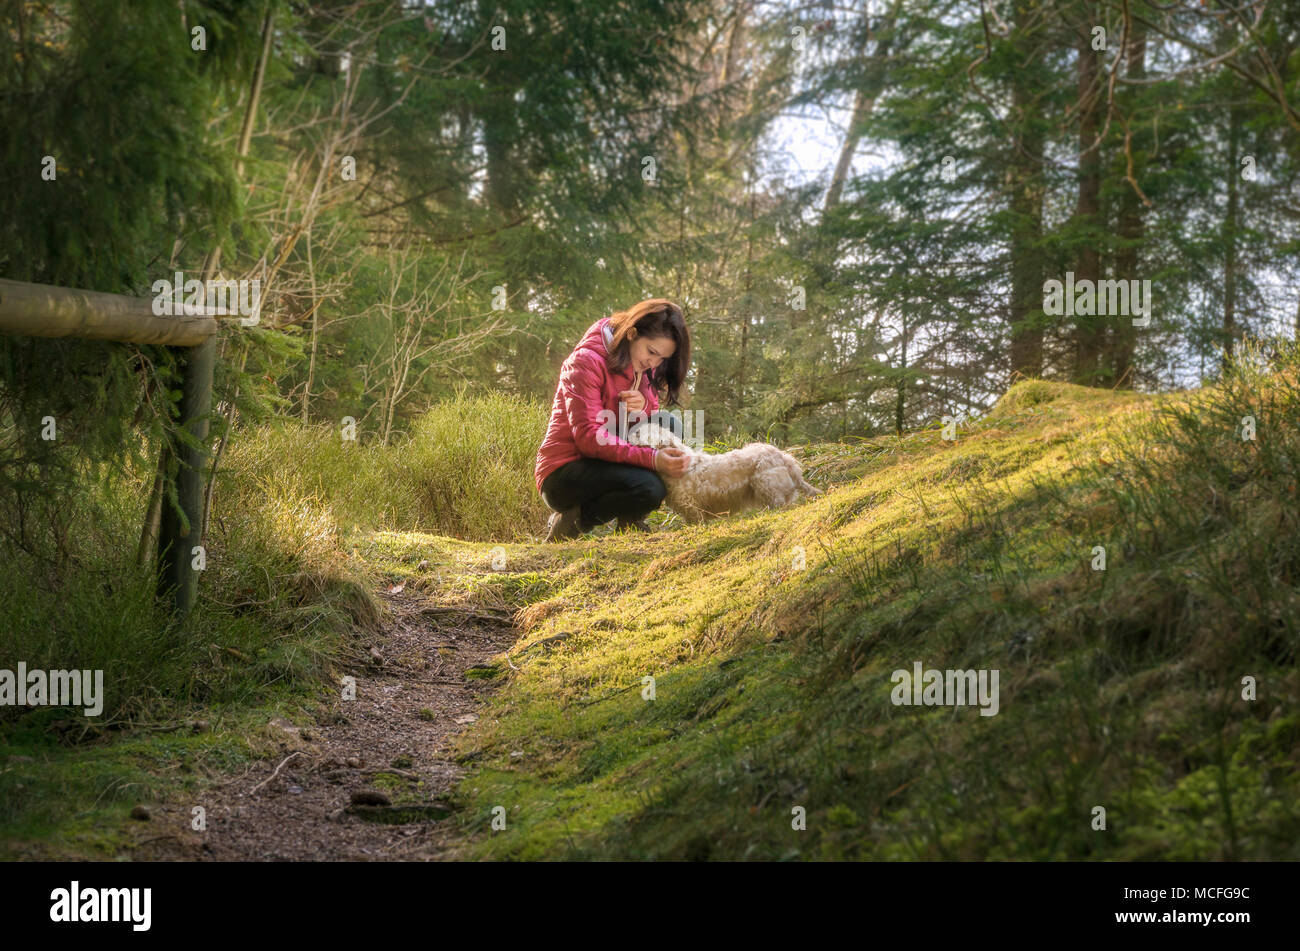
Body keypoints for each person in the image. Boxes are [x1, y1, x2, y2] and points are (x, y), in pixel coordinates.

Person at [535, 298, 693, 541]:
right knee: (651, 488)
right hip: (565, 471)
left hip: (606, 460)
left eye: (662, 358)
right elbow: (589, 437)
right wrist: (652, 459)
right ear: (631, 333)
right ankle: (572, 522)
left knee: (668, 425)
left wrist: (643, 406)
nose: (654, 362)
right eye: (652, 352)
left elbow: (648, 417)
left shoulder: (641, 365)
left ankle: (630, 521)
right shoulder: (586, 361)